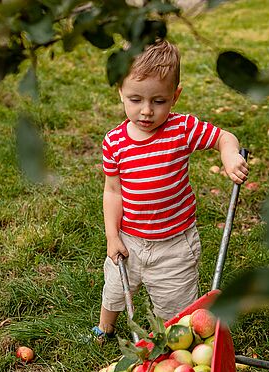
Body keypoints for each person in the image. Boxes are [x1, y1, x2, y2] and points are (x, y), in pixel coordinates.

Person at [92, 39, 248, 340]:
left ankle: (176, 343)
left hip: (174, 244)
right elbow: (113, 191)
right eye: (135, 100)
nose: (147, 111)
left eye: (159, 101)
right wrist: (112, 236)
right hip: (129, 238)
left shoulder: (182, 129)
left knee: (176, 307)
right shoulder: (114, 142)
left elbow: (223, 137)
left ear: (175, 96)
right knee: (114, 287)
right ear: (120, 92)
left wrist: (229, 155)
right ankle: (105, 327)